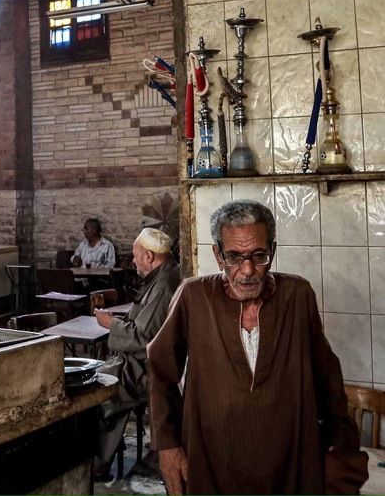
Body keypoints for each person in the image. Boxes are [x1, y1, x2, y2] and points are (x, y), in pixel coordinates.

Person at [148, 200, 367, 495]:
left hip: (289, 462)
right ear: (218, 255)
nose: (248, 270)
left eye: (258, 255)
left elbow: (327, 376)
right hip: (212, 460)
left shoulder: (297, 295)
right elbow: (160, 369)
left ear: (272, 251)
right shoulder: (194, 296)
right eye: (235, 257)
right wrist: (168, 444)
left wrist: (340, 446)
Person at [92, 227, 180, 480]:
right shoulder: (165, 275)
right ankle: (99, 463)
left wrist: (111, 324)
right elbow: (145, 322)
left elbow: (143, 339)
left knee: (95, 395)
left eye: (135, 256)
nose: (133, 261)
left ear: (149, 257)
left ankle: (95, 464)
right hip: (141, 364)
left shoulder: (163, 285)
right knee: (99, 383)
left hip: (148, 369)